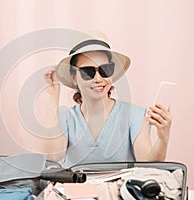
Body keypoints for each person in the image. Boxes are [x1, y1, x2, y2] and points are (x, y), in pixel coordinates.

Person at [44, 34, 172, 168]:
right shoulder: (66, 118)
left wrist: (163, 139)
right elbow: (52, 157)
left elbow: (148, 167)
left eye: (105, 70)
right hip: (75, 189)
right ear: (74, 77)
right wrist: (53, 98)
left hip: (118, 189)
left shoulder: (134, 115)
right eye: (88, 72)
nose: (98, 79)